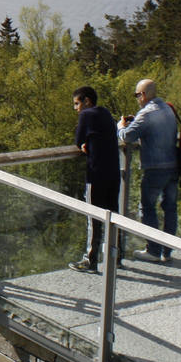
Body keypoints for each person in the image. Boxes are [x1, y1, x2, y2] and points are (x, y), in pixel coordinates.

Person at [118, 78, 178, 262]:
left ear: (143, 95)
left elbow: (127, 136)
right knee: (170, 208)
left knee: (147, 207)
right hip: (173, 166)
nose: (137, 98)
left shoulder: (146, 114)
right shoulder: (168, 109)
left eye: (137, 95)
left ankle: (153, 250)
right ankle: (167, 252)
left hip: (154, 168)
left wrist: (120, 127)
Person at [70, 86, 121, 272]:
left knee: (94, 219)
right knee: (113, 216)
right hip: (113, 172)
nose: (76, 109)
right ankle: (116, 257)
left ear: (87, 101)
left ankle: (90, 260)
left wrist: (84, 145)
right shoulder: (106, 113)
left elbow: (78, 140)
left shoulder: (87, 115)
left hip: (96, 174)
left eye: (77, 103)